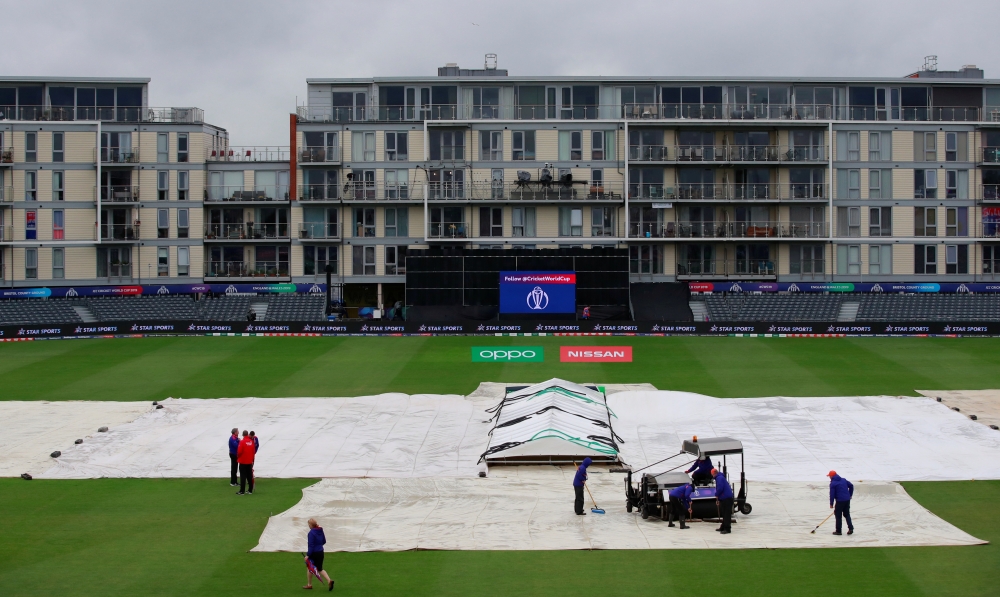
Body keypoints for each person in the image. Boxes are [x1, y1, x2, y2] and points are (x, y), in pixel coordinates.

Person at [304, 518, 334, 591]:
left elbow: (311, 545)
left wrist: (307, 555)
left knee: (309, 567)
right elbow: (324, 541)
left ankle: (309, 584)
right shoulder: (320, 530)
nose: (308, 526)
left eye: (309, 524)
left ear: (311, 525)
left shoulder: (311, 533)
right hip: (320, 552)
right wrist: (319, 545)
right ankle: (329, 580)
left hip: (314, 553)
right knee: (320, 569)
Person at [828, 470, 855, 535]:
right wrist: (850, 494)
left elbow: (832, 494)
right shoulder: (843, 480)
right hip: (847, 500)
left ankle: (838, 531)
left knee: (838, 515)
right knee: (847, 514)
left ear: (831, 476)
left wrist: (831, 504)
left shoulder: (833, 483)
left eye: (829, 476)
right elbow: (851, 486)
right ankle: (850, 528)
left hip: (840, 501)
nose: (829, 477)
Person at [712, 468, 734, 534]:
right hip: (725, 498)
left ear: (713, 473)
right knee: (724, 513)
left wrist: (716, 494)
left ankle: (727, 529)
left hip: (727, 498)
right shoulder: (720, 477)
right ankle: (723, 526)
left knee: (726, 514)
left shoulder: (719, 478)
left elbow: (720, 488)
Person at [236, 430, 255, 495]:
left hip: (243, 461)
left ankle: (242, 491)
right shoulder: (251, 442)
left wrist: (238, 457)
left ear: (243, 435)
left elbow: (239, 451)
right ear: (248, 434)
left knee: (243, 476)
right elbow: (253, 452)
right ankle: (250, 490)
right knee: (249, 476)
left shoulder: (242, 442)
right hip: (249, 461)